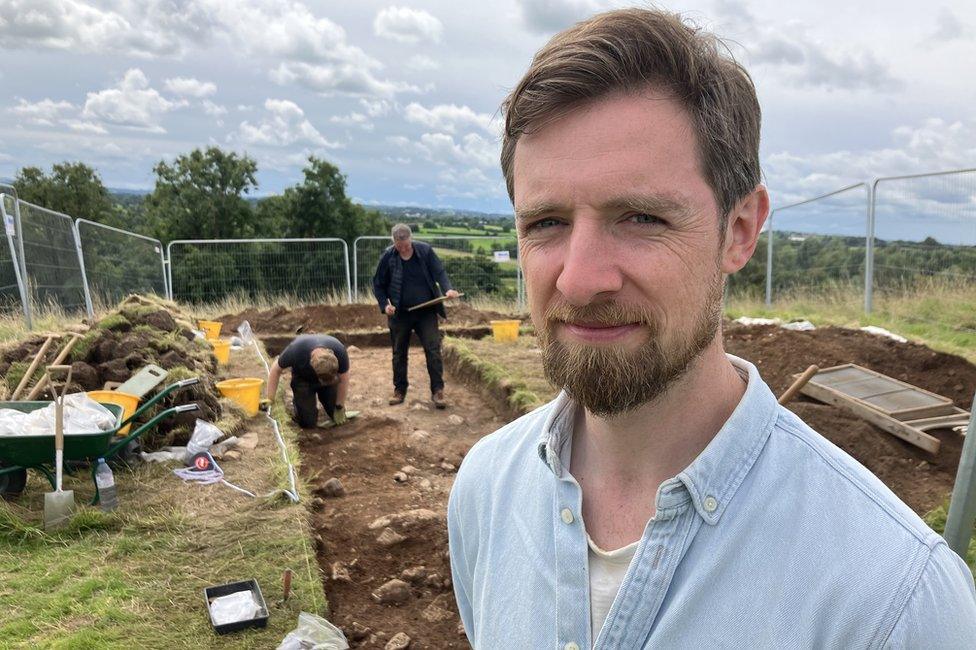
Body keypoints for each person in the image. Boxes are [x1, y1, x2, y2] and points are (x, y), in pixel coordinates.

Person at [447, 8, 976, 648]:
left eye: (641, 217)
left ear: (740, 231)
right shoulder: (484, 492)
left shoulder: (895, 603)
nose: (579, 280)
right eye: (546, 223)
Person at [372, 223, 460, 409]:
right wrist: (384, 305)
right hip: (400, 313)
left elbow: (439, 272)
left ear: (410, 239)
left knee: (433, 349)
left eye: (406, 244)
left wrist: (448, 289)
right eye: (399, 245)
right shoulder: (388, 256)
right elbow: (378, 284)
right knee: (399, 353)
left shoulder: (425, 251)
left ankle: (438, 390)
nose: (403, 248)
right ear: (394, 242)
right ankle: (399, 390)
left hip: (426, 312)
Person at [265, 334, 349, 429]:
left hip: (329, 381)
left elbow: (344, 379)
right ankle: (300, 405)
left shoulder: (339, 351)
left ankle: (328, 398)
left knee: (334, 412)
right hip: (303, 379)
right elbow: (275, 370)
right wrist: (270, 398)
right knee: (308, 423)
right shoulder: (296, 350)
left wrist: (339, 406)